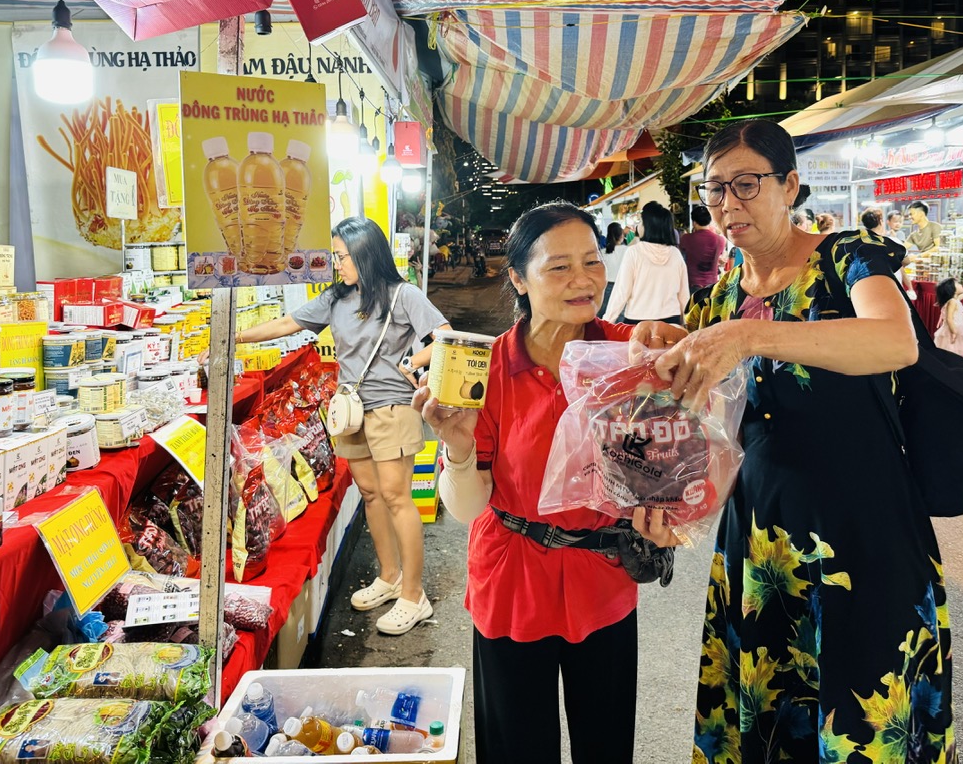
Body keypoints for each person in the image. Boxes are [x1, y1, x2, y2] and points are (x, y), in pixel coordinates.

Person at [630, 120, 953, 763]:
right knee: (772, 720)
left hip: (860, 536)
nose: (729, 202)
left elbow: (895, 340)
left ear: (792, 186)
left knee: (863, 718)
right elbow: (717, 421)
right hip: (761, 540)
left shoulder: (847, 258)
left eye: (747, 183)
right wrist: (666, 348)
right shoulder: (725, 290)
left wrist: (750, 337)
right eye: (714, 188)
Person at [415, 202, 659, 764]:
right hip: (513, 576)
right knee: (517, 745)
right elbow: (467, 506)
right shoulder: (488, 368)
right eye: (559, 267)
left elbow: (663, 462)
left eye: (593, 261)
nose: (583, 279)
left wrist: (666, 511)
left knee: (607, 741)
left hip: (603, 576)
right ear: (519, 279)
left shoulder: (629, 355)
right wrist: (456, 444)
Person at [225, 217, 450, 635]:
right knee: (370, 494)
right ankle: (389, 575)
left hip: (392, 409)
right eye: (335, 256)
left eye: (342, 256)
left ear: (365, 255)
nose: (337, 264)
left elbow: (444, 337)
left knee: (397, 496)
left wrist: (409, 363)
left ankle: (414, 595)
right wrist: (230, 336)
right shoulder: (335, 298)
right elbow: (285, 325)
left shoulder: (404, 296)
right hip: (350, 410)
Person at [602, 201, 690, 325]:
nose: (639, 225)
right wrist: (687, 323)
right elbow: (684, 294)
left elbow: (621, 292)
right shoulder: (675, 254)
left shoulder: (634, 252)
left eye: (641, 222)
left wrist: (607, 322)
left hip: (637, 321)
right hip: (671, 320)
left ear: (648, 226)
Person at [677, 204, 727, 293]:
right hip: (712, 286)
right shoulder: (720, 240)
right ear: (709, 221)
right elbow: (720, 259)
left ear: (694, 222)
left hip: (692, 286)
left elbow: (681, 257)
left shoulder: (686, 238)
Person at [934, 273, 963, 357]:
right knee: (952, 352)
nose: (961, 285)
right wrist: (954, 332)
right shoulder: (952, 301)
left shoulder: (955, 299)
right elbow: (949, 319)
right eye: (958, 284)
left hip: (955, 329)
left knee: (954, 352)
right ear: (952, 289)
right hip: (952, 330)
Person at [598, 221, 629, 317]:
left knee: (604, 312)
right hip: (622, 285)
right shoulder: (628, 250)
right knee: (620, 314)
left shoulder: (602, 252)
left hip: (606, 286)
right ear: (621, 236)